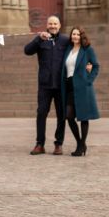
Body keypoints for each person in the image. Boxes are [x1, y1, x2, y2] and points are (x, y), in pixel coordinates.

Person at [24, 15, 69, 155]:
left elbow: (78, 52)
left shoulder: (65, 40)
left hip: (61, 85)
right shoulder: (41, 39)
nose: (53, 26)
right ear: (47, 25)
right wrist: (38, 39)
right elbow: (27, 51)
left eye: (55, 24)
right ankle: (40, 144)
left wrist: (89, 62)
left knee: (61, 115)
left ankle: (58, 144)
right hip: (45, 85)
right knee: (41, 113)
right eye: (50, 24)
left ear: (59, 26)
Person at [61, 27, 100, 156]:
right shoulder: (68, 49)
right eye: (73, 34)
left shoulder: (87, 50)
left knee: (83, 117)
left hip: (82, 86)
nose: (75, 36)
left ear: (81, 36)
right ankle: (80, 143)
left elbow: (96, 66)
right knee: (69, 116)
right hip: (69, 86)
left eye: (78, 34)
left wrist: (89, 80)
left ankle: (81, 144)